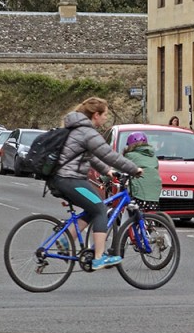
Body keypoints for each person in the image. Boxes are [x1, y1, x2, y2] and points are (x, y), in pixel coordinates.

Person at [52, 97, 143, 271]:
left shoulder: (76, 129)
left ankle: (65, 240)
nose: (106, 118)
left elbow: (91, 156)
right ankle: (99, 258)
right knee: (101, 208)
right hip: (71, 180)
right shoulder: (87, 132)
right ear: (96, 115)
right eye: (105, 114)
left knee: (92, 209)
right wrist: (134, 169)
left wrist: (106, 171)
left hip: (63, 179)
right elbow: (109, 154)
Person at [122, 132, 162, 210]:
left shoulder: (130, 155)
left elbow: (118, 166)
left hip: (138, 193)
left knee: (130, 211)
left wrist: (103, 178)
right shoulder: (153, 157)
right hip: (155, 193)